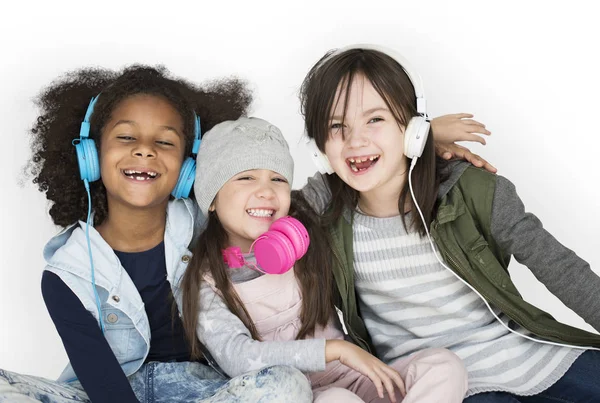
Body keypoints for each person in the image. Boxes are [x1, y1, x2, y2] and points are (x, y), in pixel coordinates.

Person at [298, 44, 600, 401]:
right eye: (336, 126)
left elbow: (560, 268)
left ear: (410, 128)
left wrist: (422, 138)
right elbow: (262, 209)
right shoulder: (325, 215)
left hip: (526, 352)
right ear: (320, 149)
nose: (355, 140)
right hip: (434, 382)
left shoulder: (470, 190)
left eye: (375, 119)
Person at [0, 65, 312, 403]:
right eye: (126, 137)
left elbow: (268, 212)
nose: (145, 150)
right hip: (110, 391)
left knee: (288, 384)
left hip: (206, 390)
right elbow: (103, 383)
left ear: (188, 167)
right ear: (90, 154)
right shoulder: (66, 273)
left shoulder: (208, 225)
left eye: (164, 142)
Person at [180, 117, 469, 403]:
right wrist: (334, 350)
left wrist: (418, 140)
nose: (266, 191)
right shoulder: (203, 280)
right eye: (246, 177)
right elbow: (238, 357)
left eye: (278, 179)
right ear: (212, 198)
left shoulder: (303, 224)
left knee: (443, 366)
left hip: (356, 376)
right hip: (306, 394)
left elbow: (346, 174)